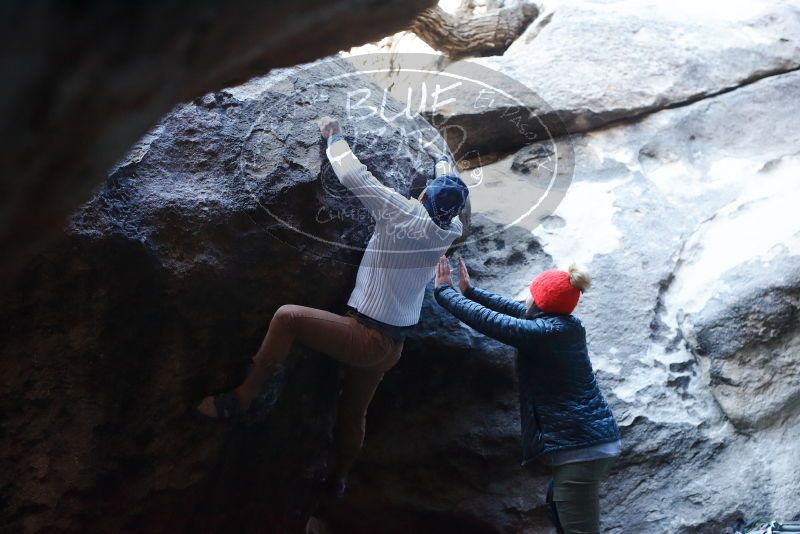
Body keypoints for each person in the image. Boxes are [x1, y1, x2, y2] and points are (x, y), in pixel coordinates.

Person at [196, 116, 468, 497]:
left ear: (423, 197)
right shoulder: (450, 229)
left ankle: (243, 397)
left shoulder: (401, 212)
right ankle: (338, 479)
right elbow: (449, 188)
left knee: (287, 317)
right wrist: (442, 158)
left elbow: (353, 176)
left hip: (364, 335)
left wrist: (333, 136)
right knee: (354, 413)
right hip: (391, 349)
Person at [433, 256, 621, 534]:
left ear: (540, 301)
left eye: (531, 295)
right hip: (589, 443)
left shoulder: (544, 333)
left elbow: (493, 322)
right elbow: (515, 311)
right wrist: (471, 292)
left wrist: (444, 292)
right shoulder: (565, 326)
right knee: (556, 506)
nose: (527, 300)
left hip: (582, 450)